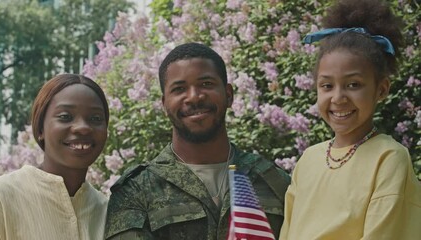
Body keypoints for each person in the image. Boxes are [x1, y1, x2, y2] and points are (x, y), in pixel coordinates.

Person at [104, 42, 291, 239]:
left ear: (229, 95)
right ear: (164, 104)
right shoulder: (136, 191)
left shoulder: (274, 182)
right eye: (179, 89)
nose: (194, 97)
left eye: (206, 84)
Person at [279, 0, 421, 239]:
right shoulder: (308, 160)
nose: (338, 98)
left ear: (382, 89)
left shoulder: (388, 158)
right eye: (326, 85)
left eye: (353, 85)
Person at [0, 74, 109, 240]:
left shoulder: (108, 211)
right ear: (40, 128)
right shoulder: (1, 198)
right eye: (65, 117)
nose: (83, 128)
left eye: (95, 118)